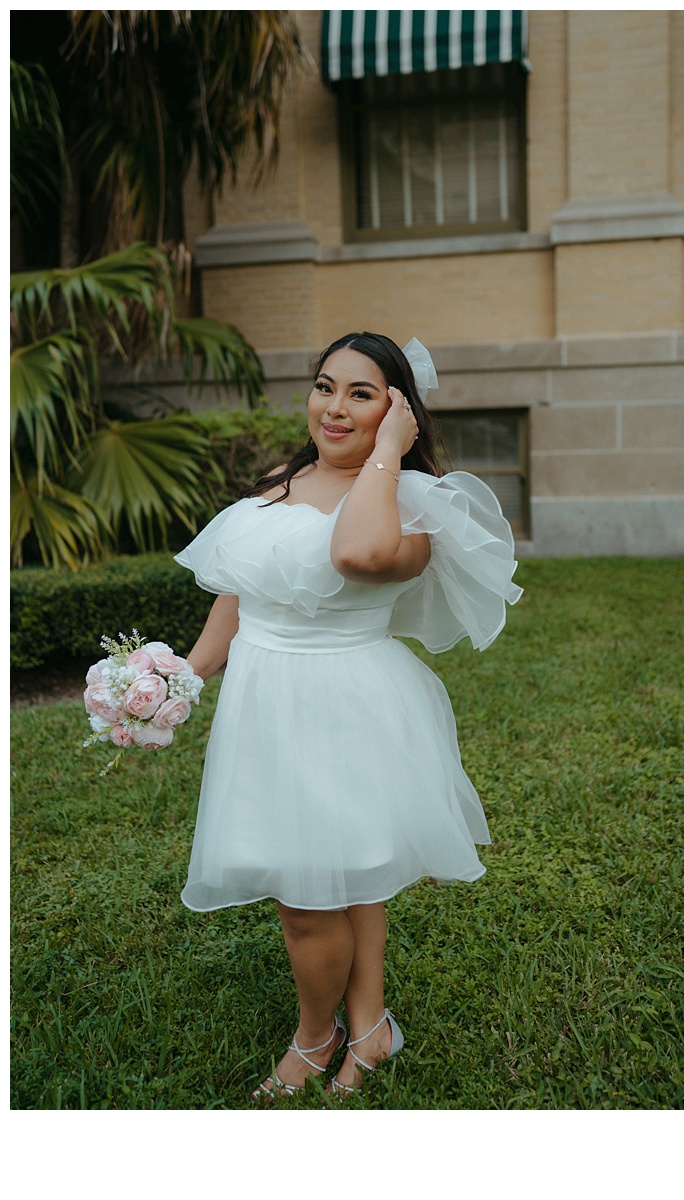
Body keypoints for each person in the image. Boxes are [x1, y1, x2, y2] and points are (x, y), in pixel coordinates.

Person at [175, 331, 522, 1100]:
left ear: (398, 411)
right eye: (325, 386)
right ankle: (370, 1028)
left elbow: (358, 556)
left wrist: (390, 453)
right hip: (264, 700)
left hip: (345, 700)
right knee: (348, 869)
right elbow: (240, 585)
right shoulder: (279, 480)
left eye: (361, 395)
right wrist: (184, 673)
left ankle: (315, 1036)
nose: (333, 408)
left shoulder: (412, 505)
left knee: (308, 900)